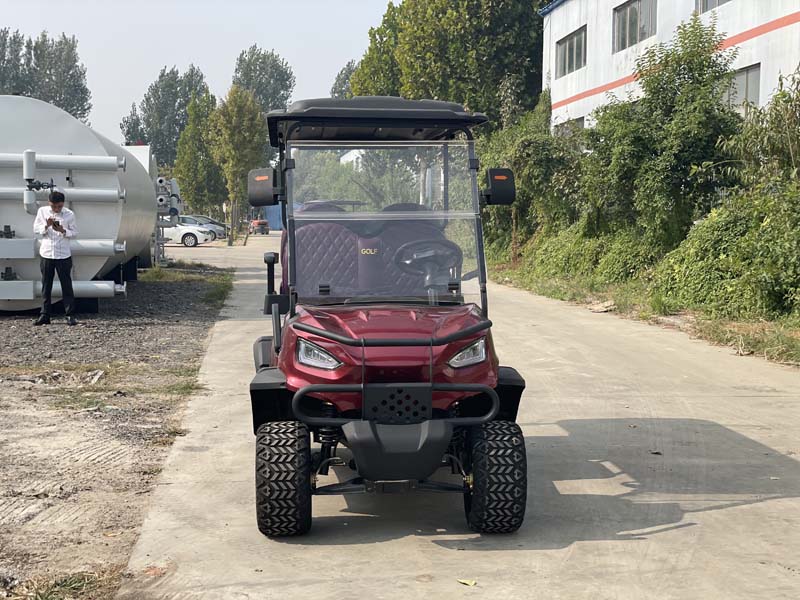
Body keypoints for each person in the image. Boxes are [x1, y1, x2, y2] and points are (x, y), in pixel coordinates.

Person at [32, 190, 78, 326]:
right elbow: (35, 229)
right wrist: (46, 225)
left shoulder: (69, 214)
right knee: (46, 285)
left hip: (63, 254)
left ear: (63, 204)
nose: (56, 209)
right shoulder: (42, 211)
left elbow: (75, 232)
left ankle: (70, 315)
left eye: (59, 206)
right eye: (53, 206)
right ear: (49, 203)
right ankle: (45, 315)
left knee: (66, 285)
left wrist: (63, 231)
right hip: (47, 253)